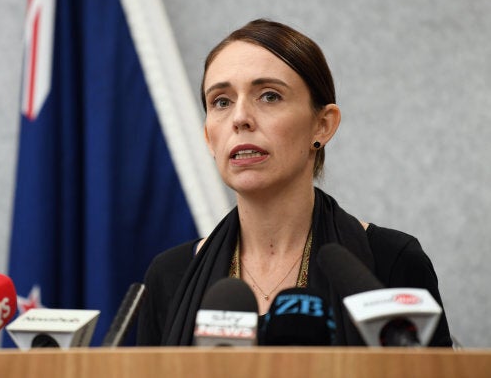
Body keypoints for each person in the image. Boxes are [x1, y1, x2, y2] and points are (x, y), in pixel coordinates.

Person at [136, 19, 452, 346]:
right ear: (208, 137)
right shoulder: (170, 274)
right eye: (221, 101)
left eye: (269, 96)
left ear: (322, 125)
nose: (240, 118)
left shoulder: (391, 260)